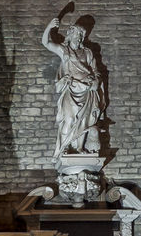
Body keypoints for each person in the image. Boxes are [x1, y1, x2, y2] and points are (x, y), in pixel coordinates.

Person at [41, 11, 106, 158]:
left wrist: (96, 81)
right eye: (76, 34)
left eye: (81, 34)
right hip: (71, 89)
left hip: (87, 91)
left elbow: (95, 71)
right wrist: (49, 27)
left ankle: (80, 148)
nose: (79, 37)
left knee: (84, 120)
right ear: (70, 35)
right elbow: (46, 43)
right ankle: (65, 147)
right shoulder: (64, 51)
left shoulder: (88, 52)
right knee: (69, 119)